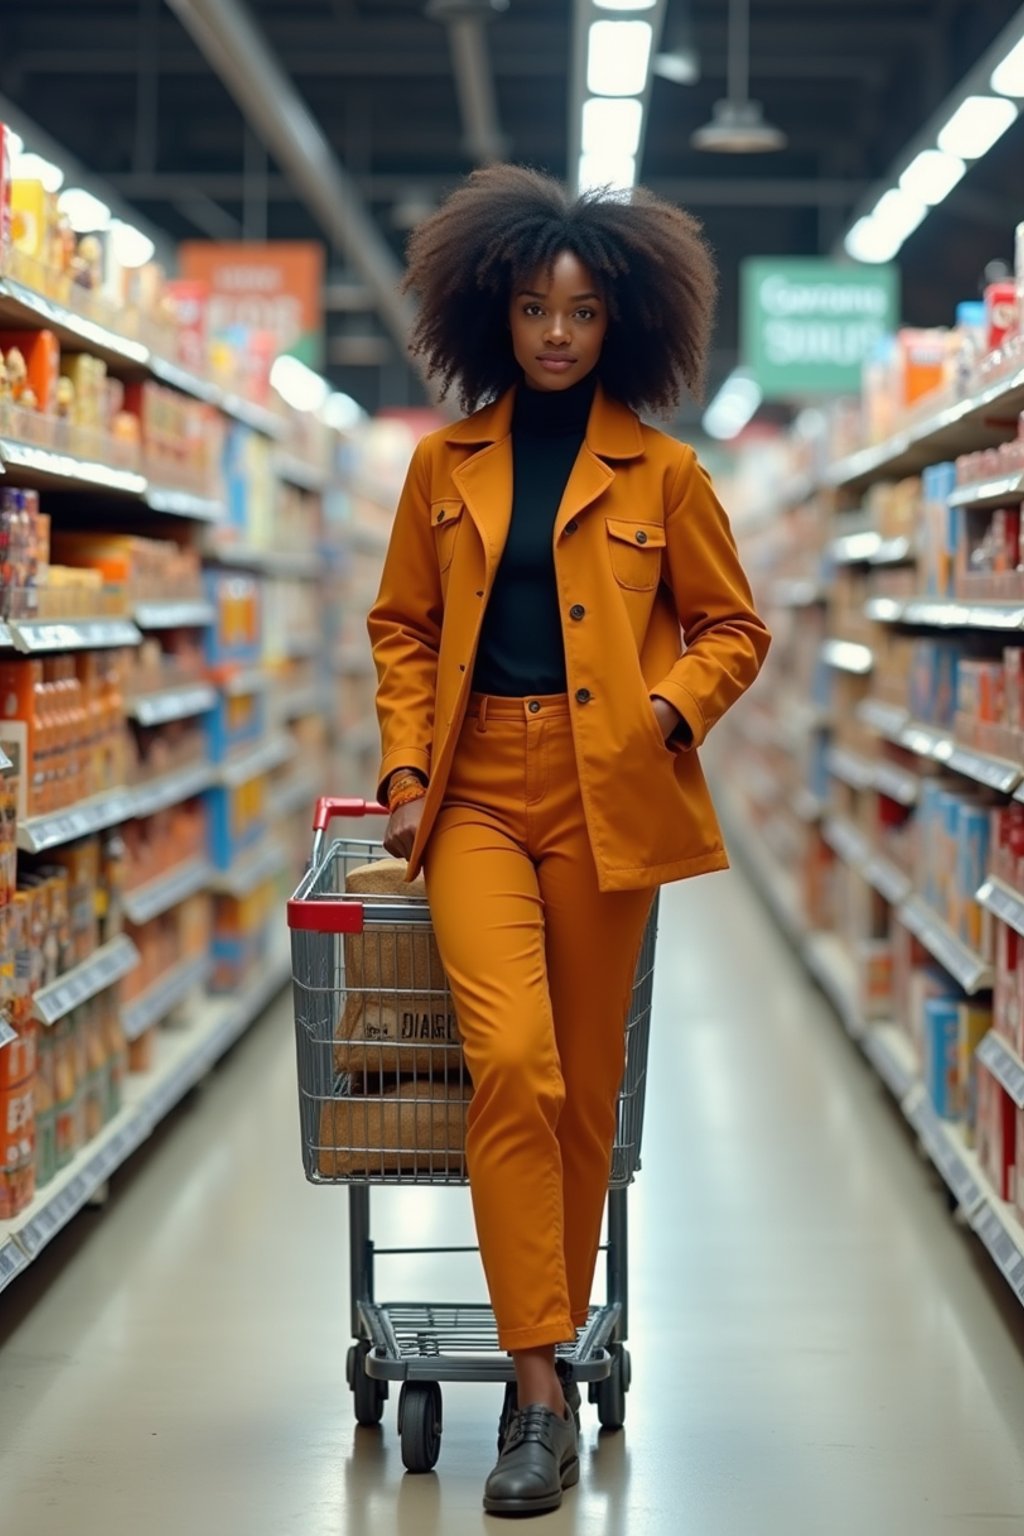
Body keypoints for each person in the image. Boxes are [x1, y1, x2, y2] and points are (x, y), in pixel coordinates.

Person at [368, 163, 770, 1517]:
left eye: (583, 312)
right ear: (493, 312)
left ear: (622, 326)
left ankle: (540, 1368)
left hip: (610, 793)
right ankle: (537, 1386)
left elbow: (736, 629)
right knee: (516, 1065)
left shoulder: (664, 473)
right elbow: (405, 629)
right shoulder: (440, 466)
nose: (555, 332)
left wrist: (668, 708)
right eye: (535, 307)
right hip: (476, 790)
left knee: (587, 1095)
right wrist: (410, 760)